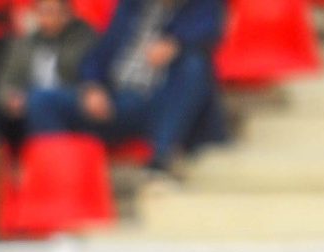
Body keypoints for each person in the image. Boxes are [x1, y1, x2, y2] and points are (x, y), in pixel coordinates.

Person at [28, 0, 222, 171]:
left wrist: (178, 44)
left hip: (161, 103)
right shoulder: (130, 6)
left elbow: (208, 31)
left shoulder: (202, 5)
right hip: (116, 100)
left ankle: (162, 156)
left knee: (194, 65)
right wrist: (92, 86)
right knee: (41, 100)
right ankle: (61, 176)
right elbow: (99, 54)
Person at [0, 0, 96, 142]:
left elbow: (89, 77)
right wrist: (9, 98)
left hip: (71, 102)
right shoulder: (23, 44)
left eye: (54, 11)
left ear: (68, 14)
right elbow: (3, 81)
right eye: (43, 12)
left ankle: (53, 154)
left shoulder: (85, 39)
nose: (48, 17)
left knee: (40, 101)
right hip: (28, 104)